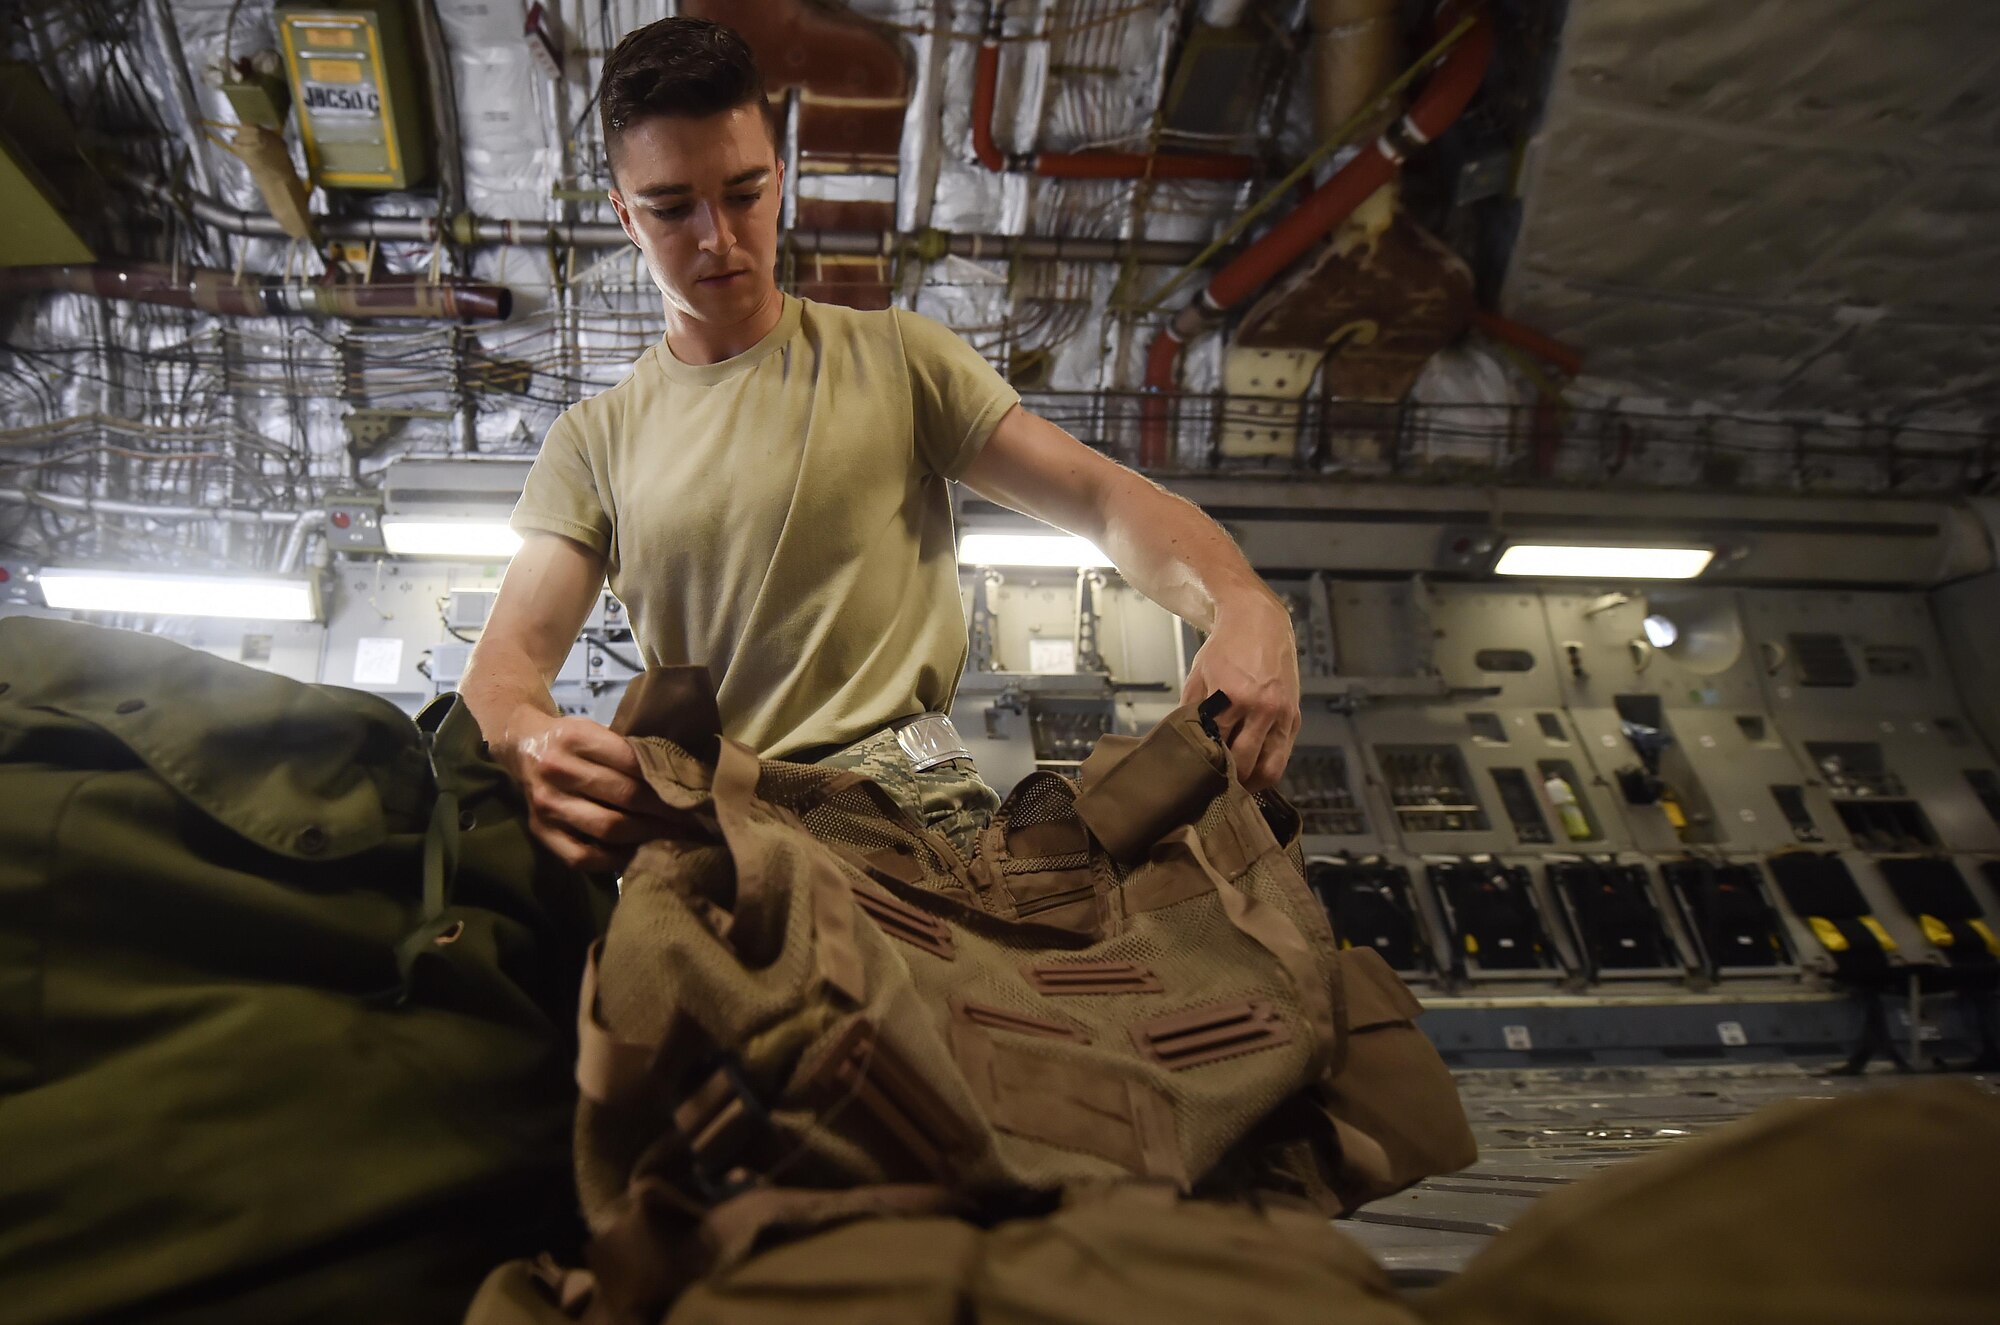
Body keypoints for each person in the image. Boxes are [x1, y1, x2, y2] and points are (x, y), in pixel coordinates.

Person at [461, 16, 1301, 873]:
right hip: (721, 837)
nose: (716, 236)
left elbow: (1103, 499)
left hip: (912, 816)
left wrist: (1244, 605)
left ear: (781, 179)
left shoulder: (898, 360)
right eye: (672, 208)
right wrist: (529, 741)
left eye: (745, 194)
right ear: (624, 218)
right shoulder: (592, 442)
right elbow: (505, 666)